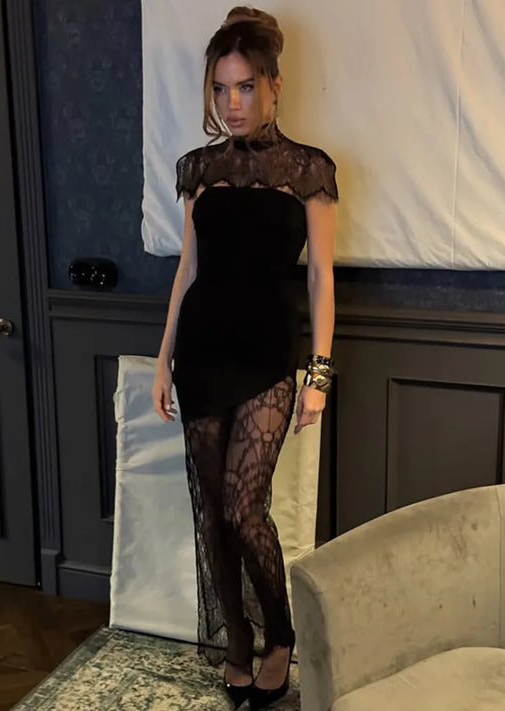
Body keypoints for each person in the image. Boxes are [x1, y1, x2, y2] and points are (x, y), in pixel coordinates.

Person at [152, 6, 338, 709]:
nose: (232, 102)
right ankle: (236, 638)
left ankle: (280, 636)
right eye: (221, 88)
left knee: (242, 507)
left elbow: (321, 280)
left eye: (246, 87)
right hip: (201, 352)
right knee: (212, 515)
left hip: (268, 356)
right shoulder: (199, 169)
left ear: (274, 85)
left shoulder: (308, 169)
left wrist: (318, 375)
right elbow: (187, 270)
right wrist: (164, 357)